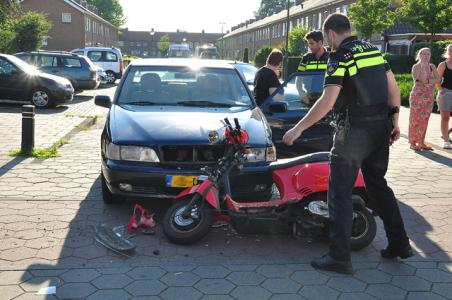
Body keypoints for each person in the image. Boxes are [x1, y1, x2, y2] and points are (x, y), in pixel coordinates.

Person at [283, 13, 412, 274]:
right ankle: (399, 244)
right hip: (380, 129)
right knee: (378, 187)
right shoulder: (373, 51)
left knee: (339, 193)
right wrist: (395, 121)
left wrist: (297, 129)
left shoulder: (340, 55)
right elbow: (394, 90)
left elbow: (327, 101)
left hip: (352, 133)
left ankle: (339, 257)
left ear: (330, 34)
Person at [408, 48, 440, 151]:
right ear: (419, 55)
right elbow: (422, 79)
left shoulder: (432, 66)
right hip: (417, 97)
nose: (426, 56)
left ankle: (421, 142)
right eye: (423, 54)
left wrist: (429, 80)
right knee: (415, 119)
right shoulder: (416, 67)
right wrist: (423, 67)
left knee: (424, 119)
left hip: (429, 97)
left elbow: (438, 79)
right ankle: (413, 142)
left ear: (430, 55)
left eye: (428, 54)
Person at [297, 31, 329, 105]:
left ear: (320, 43)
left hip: (326, 100)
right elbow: (298, 79)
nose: (309, 46)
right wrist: (302, 96)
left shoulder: (331, 57)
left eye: (311, 43)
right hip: (309, 99)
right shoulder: (306, 58)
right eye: (308, 44)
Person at [436, 44, 452, 149]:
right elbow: (437, 79)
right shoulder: (443, 64)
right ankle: (446, 141)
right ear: (447, 51)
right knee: (445, 118)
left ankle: (445, 133)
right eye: (450, 50)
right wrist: (441, 90)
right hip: (446, 93)